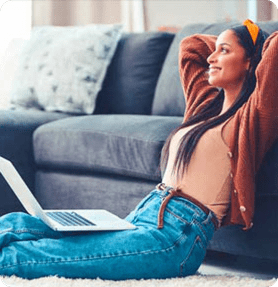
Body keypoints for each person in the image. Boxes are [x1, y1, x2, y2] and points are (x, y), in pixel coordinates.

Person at [0, 19, 277, 280]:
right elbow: (191, 47)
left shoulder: (251, 118)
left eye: (224, 51)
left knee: (33, 256)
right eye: (215, 50)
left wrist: (254, 38)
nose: (211, 58)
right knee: (19, 223)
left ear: (250, 62)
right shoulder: (204, 107)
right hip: (142, 215)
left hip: (174, 239)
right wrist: (230, 44)